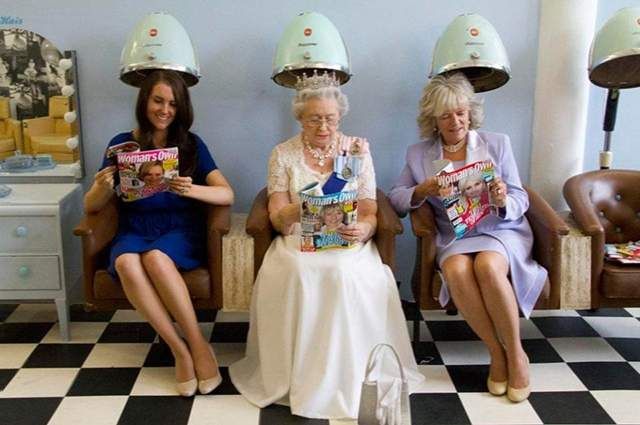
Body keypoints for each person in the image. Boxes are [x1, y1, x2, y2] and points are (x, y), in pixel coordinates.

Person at [229, 72, 423, 420]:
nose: (323, 127)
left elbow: (370, 209)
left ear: (340, 117)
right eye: (314, 119)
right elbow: (277, 218)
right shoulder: (282, 154)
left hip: (347, 243)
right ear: (300, 118)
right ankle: (300, 378)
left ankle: (348, 377)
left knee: (343, 272)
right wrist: (302, 208)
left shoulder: (356, 150)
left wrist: (364, 230)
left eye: (330, 119)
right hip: (297, 240)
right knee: (299, 271)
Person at [389, 72, 546, 403]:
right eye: (446, 115)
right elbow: (396, 199)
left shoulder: (497, 143)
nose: (455, 121)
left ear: (470, 112)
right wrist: (423, 189)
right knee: (457, 270)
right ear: (433, 119)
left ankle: (516, 353)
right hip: (455, 235)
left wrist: (502, 198)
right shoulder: (418, 154)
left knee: (488, 266)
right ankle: (496, 353)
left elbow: (521, 197)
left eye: (460, 113)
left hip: (500, 230)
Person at [83, 70, 234, 397]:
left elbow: (226, 194)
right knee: (126, 262)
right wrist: (101, 187)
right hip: (134, 227)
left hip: (179, 228)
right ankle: (179, 350)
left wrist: (191, 189)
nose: (165, 110)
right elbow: (91, 205)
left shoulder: (192, 144)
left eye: (173, 104)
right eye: (158, 101)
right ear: (144, 101)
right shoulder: (121, 144)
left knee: (156, 259)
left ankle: (199, 345)